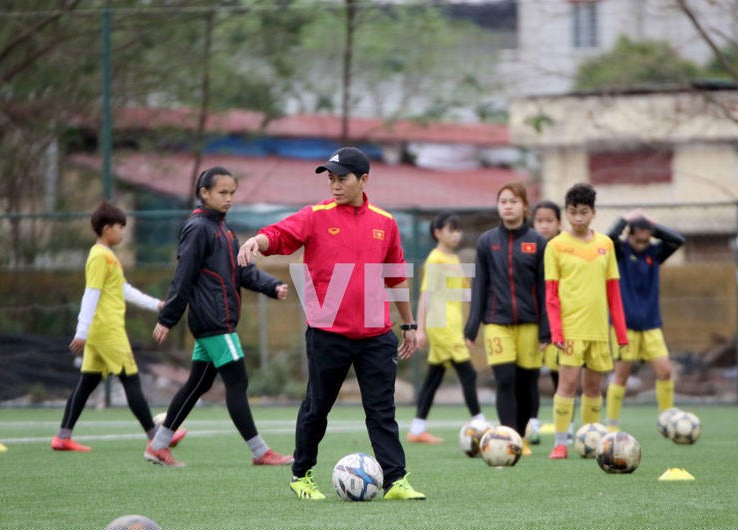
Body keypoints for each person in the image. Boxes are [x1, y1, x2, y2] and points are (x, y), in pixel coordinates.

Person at [237, 146, 426, 501]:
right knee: (317, 408)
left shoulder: (385, 223)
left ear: (363, 180)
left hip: (376, 335)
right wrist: (256, 242)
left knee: (382, 412)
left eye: (342, 179)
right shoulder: (315, 216)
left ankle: (396, 481)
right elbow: (279, 235)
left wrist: (409, 324)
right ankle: (301, 475)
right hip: (328, 333)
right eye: (331, 179)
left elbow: (396, 276)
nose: (334, 185)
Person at [147, 166, 293, 468]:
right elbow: (183, 275)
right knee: (237, 381)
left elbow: (242, 270)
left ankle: (158, 446)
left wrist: (271, 285)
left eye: (232, 193)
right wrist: (168, 318)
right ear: (204, 193)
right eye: (222, 192)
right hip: (214, 321)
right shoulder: (198, 228)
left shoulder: (223, 229)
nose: (228, 198)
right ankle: (260, 451)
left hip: (215, 321)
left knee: (198, 384)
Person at [52, 201, 187, 452]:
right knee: (130, 379)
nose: (123, 232)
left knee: (87, 382)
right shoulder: (100, 256)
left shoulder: (107, 256)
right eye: (120, 227)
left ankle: (62, 437)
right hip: (107, 330)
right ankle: (156, 437)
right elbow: (91, 293)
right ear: (106, 229)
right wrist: (81, 331)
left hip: (100, 331)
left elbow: (123, 289)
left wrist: (155, 304)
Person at [544, 183, 628, 460]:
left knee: (593, 388)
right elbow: (551, 294)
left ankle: (591, 440)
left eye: (583, 212)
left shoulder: (605, 244)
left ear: (593, 213)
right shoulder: (556, 246)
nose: (578, 218)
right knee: (567, 385)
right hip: (570, 330)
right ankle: (560, 443)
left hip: (599, 330)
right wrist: (556, 331)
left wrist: (621, 332)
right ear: (566, 213)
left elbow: (613, 292)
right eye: (572, 212)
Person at [464, 182, 550, 452]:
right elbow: (479, 285)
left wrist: (546, 329)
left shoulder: (538, 242)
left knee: (526, 384)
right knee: (505, 380)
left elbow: (545, 289)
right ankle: (509, 440)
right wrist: (472, 325)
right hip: (496, 323)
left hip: (530, 324)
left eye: (514, 201)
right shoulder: (486, 242)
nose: (508, 206)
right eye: (503, 201)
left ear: (525, 206)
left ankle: (521, 436)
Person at [407, 212, 488, 445]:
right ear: (438, 233)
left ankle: (417, 429)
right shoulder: (436, 259)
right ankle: (480, 422)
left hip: (451, 325)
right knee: (468, 373)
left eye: (458, 230)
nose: (456, 235)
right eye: (451, 230)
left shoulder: (452, 258)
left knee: (434, 376)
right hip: (442, 327)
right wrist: (419, 329)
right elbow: (425, 295)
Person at [605, 209, 685, 432]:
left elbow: (678, 240)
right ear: (629, 235)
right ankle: (612, 426)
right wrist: (624, 220)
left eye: (645, 240)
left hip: (651, 324)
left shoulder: (654, 253)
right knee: (621, 376)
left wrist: (652, 227)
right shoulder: (620, 252)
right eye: (637, 240)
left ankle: (667, 420)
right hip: (624, 326)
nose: (641, 244)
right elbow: (608, 239)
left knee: (665, 371)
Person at [531, 199, 574, 443]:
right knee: (531, 375)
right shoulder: (530, 249)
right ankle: (532, 424)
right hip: (533, 321)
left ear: (559, 223)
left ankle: (567, 426)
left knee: (562, 375)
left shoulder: (565, 249)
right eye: (539, 221)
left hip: (561, 321)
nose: (544, 226)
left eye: (549, 221)